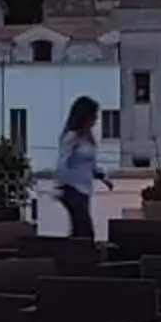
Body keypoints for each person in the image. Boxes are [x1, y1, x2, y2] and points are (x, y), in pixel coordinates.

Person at [56, 96, 103, 239]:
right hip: (72, 189)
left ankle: (70, 257)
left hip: (85, 190)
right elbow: (63, 161)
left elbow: (91, 164)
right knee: (85, 230)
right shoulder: (72, 137)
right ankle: (79, 257)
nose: (96, 120)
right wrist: (61, 184)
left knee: (78, 230)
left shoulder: (88, 139)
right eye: (93, 116)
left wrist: (102, 176)